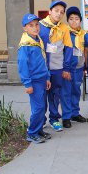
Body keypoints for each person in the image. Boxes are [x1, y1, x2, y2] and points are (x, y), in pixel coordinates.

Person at [39, 0, 72, 131]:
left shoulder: (64, 28)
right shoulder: (40, 25)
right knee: (41, 95)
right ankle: (40, 120)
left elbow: (69, 48)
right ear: (50, 11)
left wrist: (66, 68)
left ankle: (54, 119)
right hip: (42, 69)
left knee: (55, 94)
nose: (59, 14)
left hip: (57, 68)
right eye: (56, 11)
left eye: (62, 12)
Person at [18, 14, 51, 143]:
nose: (35, 27)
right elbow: (22, 66)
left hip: (42, 78)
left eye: (37, 24)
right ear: (24, 28)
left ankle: (38, 130)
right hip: (34, 81)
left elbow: (44, 60)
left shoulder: (37, 40)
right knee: (37, 108)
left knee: (42, 107)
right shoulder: (25, 45)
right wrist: (27, 84)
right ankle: (31, 133)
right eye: (31, 25)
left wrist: (47, 77)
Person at [64, 6, 87, 123]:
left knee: (76, 91)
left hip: (79, 68)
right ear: (67, 20)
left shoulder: (83, 34)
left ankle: (75, 113)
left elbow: (86, 51)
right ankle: (66, 117)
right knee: (66, 92)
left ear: (80, 20)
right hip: (67, 69)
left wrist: (85, 66)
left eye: (76, 18)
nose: (74, 21)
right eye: (71, 19)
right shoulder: (65, 33)